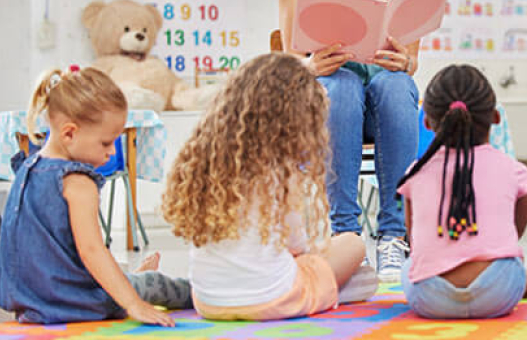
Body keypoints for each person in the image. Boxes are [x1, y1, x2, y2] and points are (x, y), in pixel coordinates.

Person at [277, 0, 429, 282]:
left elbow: (411, 61)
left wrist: (403, 61)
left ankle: (394, 236)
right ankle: (346, 236)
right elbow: (290, 63)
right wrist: (310, 66)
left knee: (394, 85)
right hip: (326, 103)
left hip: (388, 104)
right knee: (340, 85)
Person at [161, 53, 377, 321]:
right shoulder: (278, 168)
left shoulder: (206, 160)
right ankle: (334, 290)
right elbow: (296, 243)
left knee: (314, 261)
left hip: (208, 301)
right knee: (353, 244)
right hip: (273, 299)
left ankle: (332, 287)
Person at [0, 67, 191, 325]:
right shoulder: (77, 182)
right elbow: (92, 251)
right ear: (69, 133)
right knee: (155, 284)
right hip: (74, 302)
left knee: (120, 276)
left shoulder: (25, 169)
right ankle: (209, 293)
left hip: (29, 301)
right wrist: (134, 304)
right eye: (105, 143)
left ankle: (130, 278)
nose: (112, 153)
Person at [396, 64, 527, 319]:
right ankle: (524, 280)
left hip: (430, 298)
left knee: (409, 266)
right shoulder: (512, 169)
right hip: (499, 292)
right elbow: (514, 233)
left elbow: (416, 242)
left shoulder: (415, 173)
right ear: (496, 118)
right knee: (511, 261)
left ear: (428, 122)